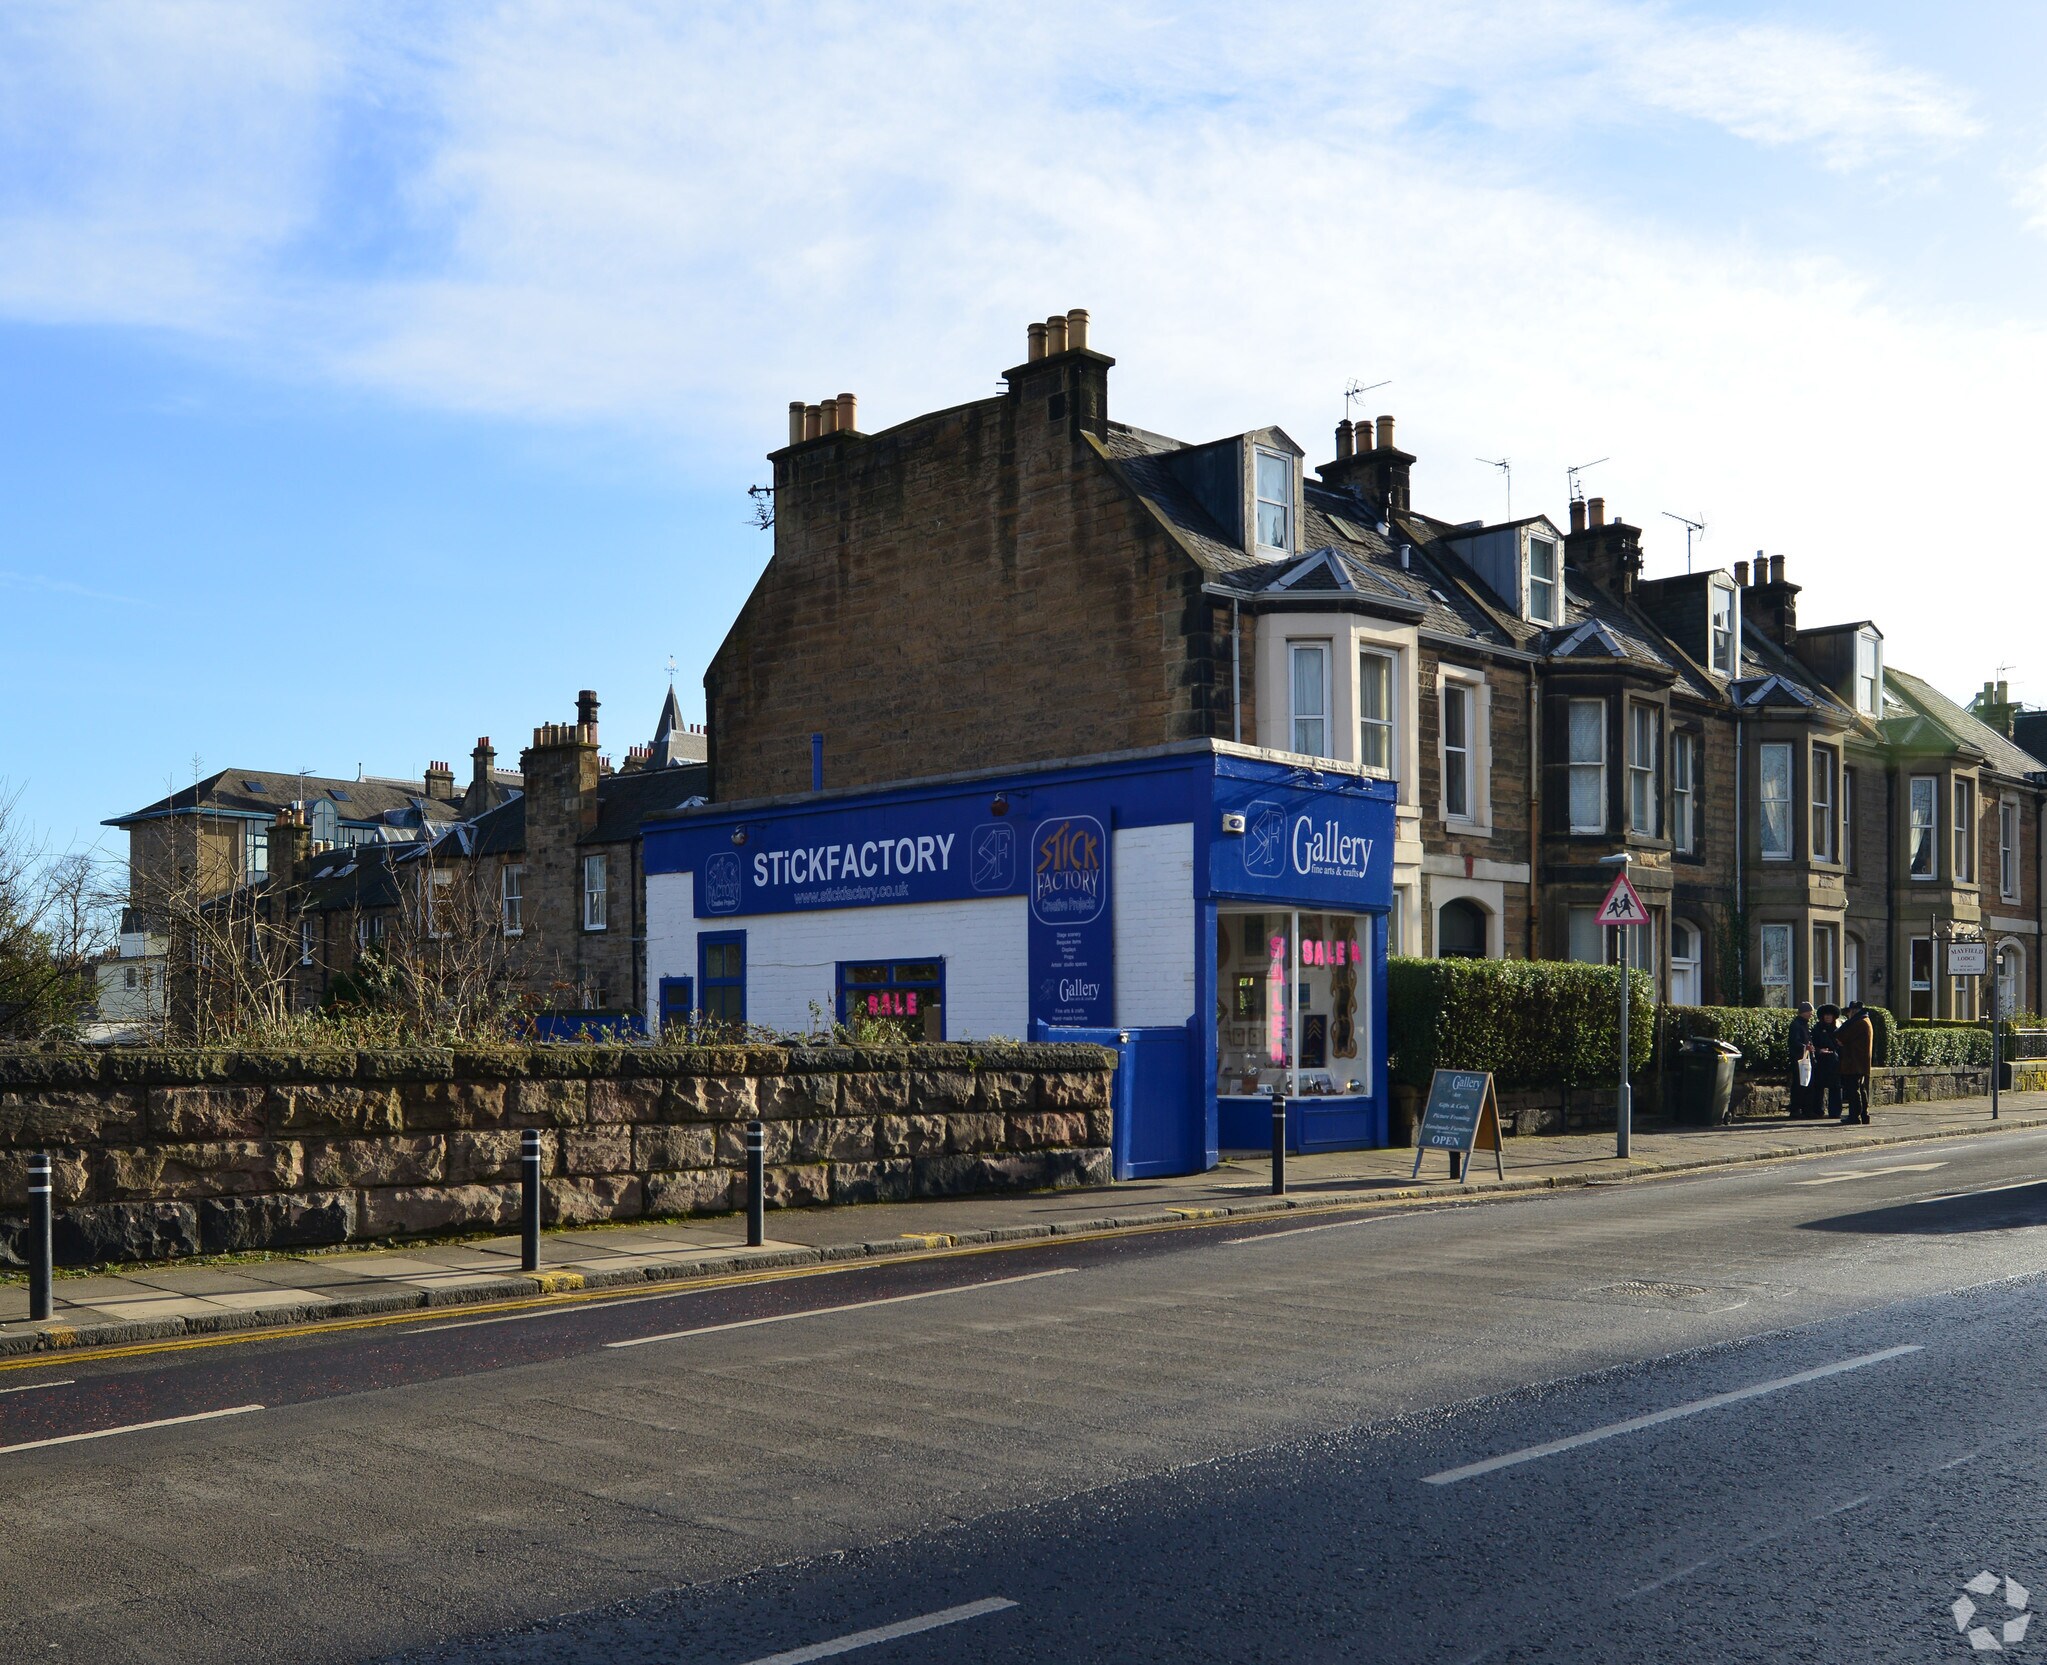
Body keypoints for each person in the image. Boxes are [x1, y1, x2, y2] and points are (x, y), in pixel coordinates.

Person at [1837, 1000, 1874, 1125]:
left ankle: (1855, 1116)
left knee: (1854, 1090)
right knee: (1860, 1089)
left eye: (1849, 1012)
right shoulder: (1865, 1021)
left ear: (1852, 1011)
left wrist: (1840, 1039)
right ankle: (1864, 1115)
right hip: (1859, 1062)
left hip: (1854, 1061)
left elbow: (1842, 1036)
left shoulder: (1859, 1022)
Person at [1812, 1003, 1844, 1121]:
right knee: (1819, 1087)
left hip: (1834, 1062)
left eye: (1830, 1015)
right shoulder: (1817, 1028)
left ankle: (1835, 1112)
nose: (1828, 1017)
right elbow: (1813, 1043)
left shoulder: (1838, 1029)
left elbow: (1841, 1045)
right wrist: (1819, 1050)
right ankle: (1818, 1110)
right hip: (1821, 1062)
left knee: (1835, 1087)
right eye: (1826, 1015)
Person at [1788, 1001, 1815, 1118]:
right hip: (1798, 1059)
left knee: (1806, 1084)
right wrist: (1805, 1047)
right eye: (1810, 1011)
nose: (1811, 1014)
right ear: (1804, 1012)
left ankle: (1805, 1109)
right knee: (1799, 1084)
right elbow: (1794, 1042)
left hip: (1804, 1058)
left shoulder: (1803, 1024)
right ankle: (1796, 1109)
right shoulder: (1796, 1025)